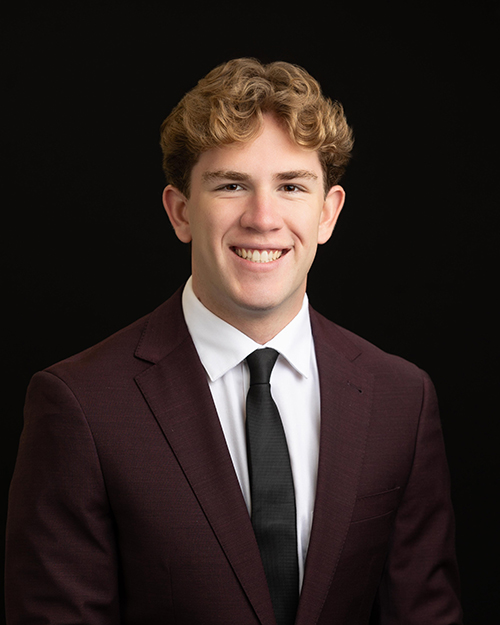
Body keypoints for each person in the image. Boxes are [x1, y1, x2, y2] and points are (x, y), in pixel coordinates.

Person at [5, 58, 463, 624]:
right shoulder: (81, 405)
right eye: (231, 185)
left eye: (291, 186)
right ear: (180, 212)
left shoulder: (402, 399)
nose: (263, 218)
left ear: (328, 213)